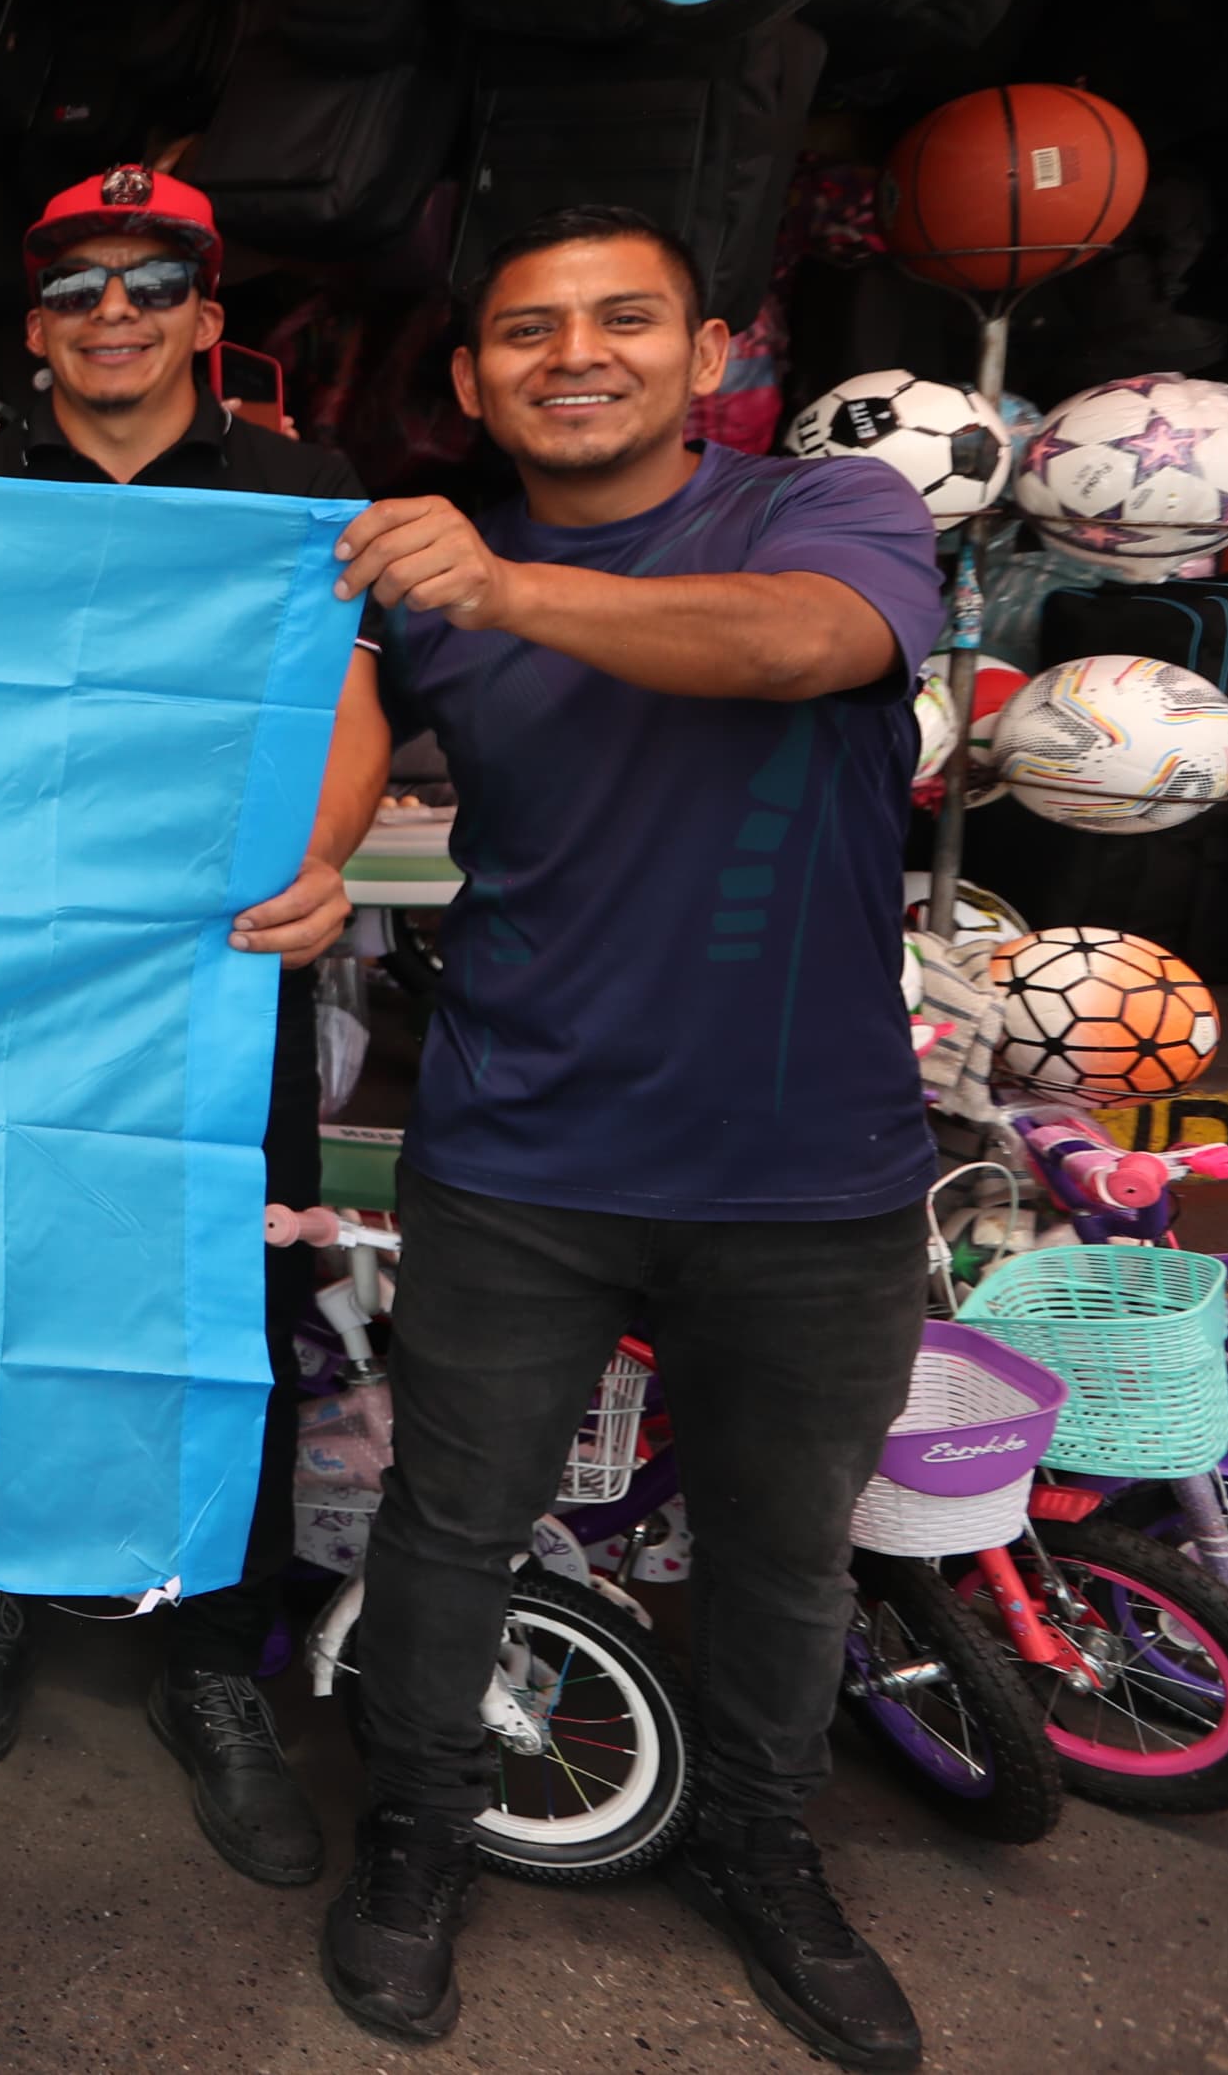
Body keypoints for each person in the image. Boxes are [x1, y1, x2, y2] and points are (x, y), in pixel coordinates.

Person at [319, 207, 944, 2068]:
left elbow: (801, 650)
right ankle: (417, 1840)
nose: (570, 354)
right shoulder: (430, 577)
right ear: (467, 373)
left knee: (781, 1548)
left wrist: (496, 593)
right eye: (524, 329)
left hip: (812, 1162)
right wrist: (310, 858)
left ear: (710, 351)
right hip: (520, 1146)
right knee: (450, 1525)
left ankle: (766, 1848)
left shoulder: (819, 517)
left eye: (620, 321)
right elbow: (336, 751)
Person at [0, 163, 391, 1887]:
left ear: (206, 317)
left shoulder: (296, 486)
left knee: (213, 1297)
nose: (114, 311)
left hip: (214, 974)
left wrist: (323, 862)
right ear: (33, 324)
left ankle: (207, 1662)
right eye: (79, 284)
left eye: (151, 281)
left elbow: (352, 714)